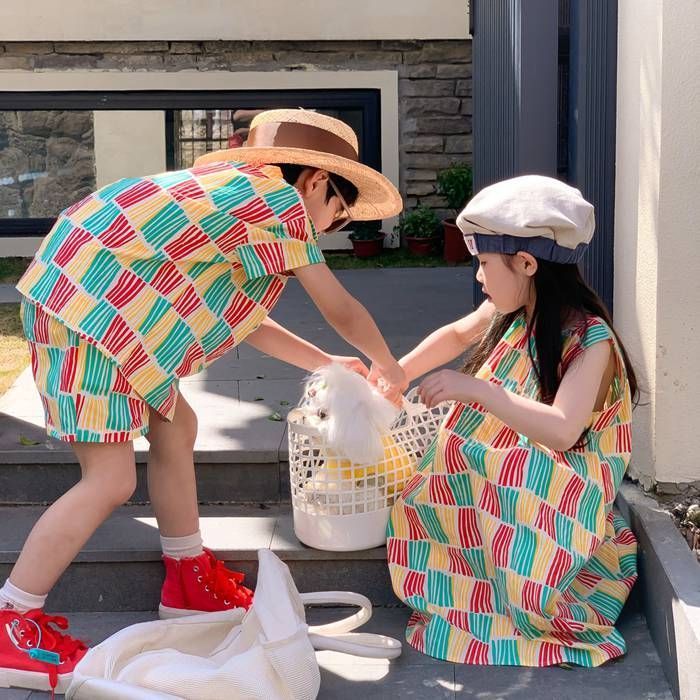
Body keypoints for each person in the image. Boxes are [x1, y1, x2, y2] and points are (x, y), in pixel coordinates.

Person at [1, 108, 407, 694]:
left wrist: (324, 361)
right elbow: (339, 307)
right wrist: (387, 363)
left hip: (99, 304)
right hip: (88, 311)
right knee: (110, 479)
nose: (329, 229)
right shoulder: (280, 204)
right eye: (338, 214)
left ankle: (188, 577)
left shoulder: (237, 201)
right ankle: (12, 619)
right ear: (317, 181)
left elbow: (244, 319)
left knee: (177, 423)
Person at [387, 175, 639, 668]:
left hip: (564, 483)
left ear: (526, 263)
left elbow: (563, 429)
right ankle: (467, 581)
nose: (479, 277)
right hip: (527, 460)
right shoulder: (517, 308)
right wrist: (394, 374)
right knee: (456, 446)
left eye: (484, 264)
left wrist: (478, 390)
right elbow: (457, 335)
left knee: (503, 463)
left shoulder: (591, 339)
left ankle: (525, 591)